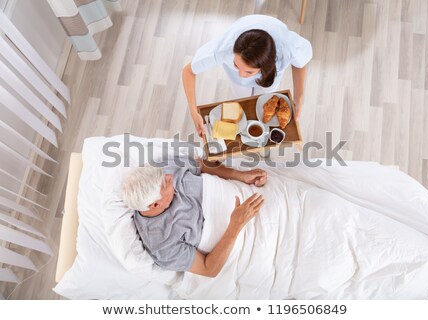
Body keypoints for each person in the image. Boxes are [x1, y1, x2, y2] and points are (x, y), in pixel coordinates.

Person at [120, 158, 267, 277]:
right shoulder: (162, 244)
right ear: (155, 205)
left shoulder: (157, 172)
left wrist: (241, 175)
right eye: (166, 183)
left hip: (249, 190)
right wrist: (236, 224)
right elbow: (208, 269)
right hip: (246, 231)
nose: (170, 176)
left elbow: (200, 164)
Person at [182, 14, 313, 137]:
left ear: (265, 67)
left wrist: (299, 98)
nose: (242, 74)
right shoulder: (224, 49)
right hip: (242, 65)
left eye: (249, 72)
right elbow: (188, 71)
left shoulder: (287, 48)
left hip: (270, 72)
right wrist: (194, 112)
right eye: (236, 65)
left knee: (264, 99)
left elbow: (300, 63)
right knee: (243, 99)